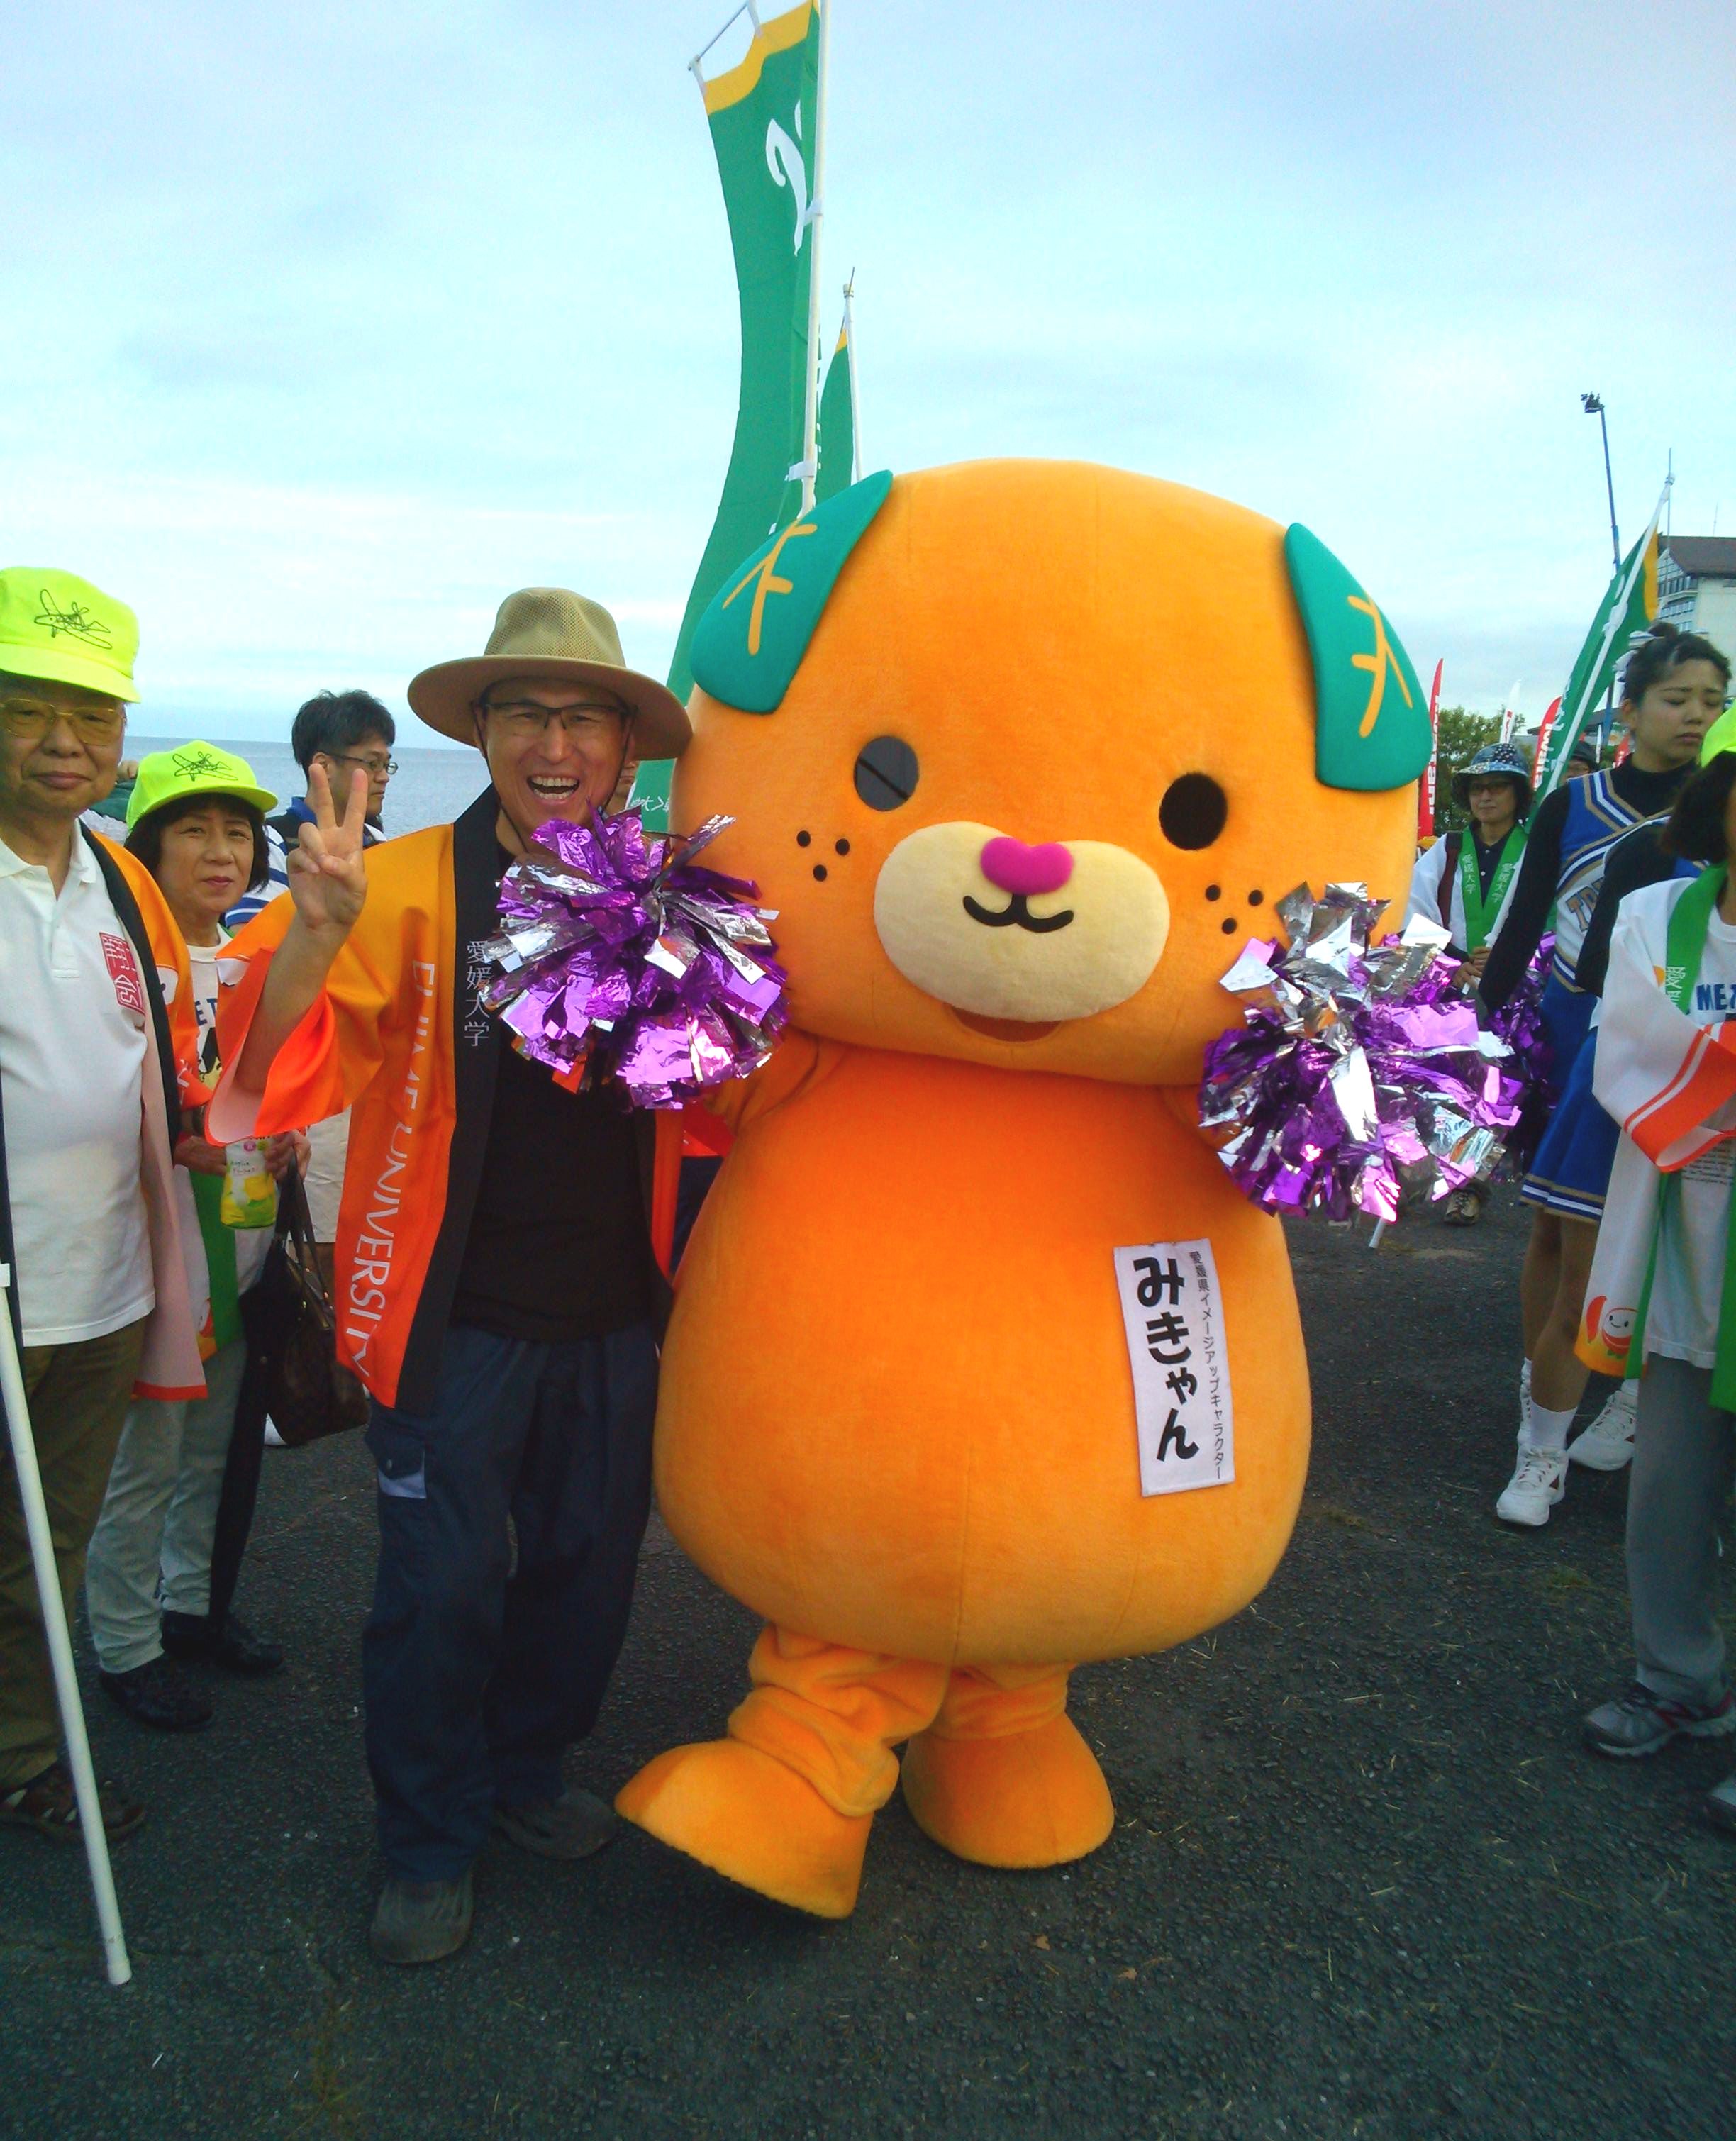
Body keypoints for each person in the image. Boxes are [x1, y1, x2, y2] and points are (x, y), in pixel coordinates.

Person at [211, 588, 691, 1965]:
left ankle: (529, 1769)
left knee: (591, 1577)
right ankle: (426, 1837)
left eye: (583, 713)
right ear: (480, 732)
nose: (555, 741)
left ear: (621, 741)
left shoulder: (666, 890)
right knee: (439, 1589)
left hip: (615, 1318)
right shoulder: (403, 882)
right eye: (524, 712)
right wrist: (310, 931)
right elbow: (253, 1092)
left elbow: (725, 1096)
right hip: (451, 1318)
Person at [0, 569, 208, 1848]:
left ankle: (25, 1750)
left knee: (49, 1541)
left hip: (103, 1283)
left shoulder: (121, 879)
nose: (67, 742)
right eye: (31, 710)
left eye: (94, 714)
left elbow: (167, 1057)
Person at [1485, 626, 1730, 1525]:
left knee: (1664, 1240)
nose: (1696, 715)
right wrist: (1485, 1035)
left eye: (1712, 699)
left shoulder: (1717, 813)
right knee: (1557, 1235)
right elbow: (1528, 923)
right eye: (1678, 699)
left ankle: (1630, 1400)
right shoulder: (1576, 803)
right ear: (1628, 710)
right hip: (1574, 1035)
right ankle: (1540, 1412)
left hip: (1691, 1064)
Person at [83, 746, 298, 1730]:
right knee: (147, 1457)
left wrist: (286, 1133)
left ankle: (192, 1608)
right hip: (155, 1258)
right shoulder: (116, 963)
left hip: (242, 1250)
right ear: (149, 846)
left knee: (212, 1451)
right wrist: (176, 1143)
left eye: (239, 832)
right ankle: (124, 1645)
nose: (222, 851)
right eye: (195, 829)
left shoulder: (258, 962)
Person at [1576, 745, 1736, 1834]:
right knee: (1669, 1487)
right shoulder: (1661, 916)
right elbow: (1632, 1051)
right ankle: (1681, 1678)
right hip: (1688, 1236)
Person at [1405, 740, 1531, 1223]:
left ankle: (1472, 1184)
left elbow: (1545, 915)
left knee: (1495, 1088)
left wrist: (1510, 953)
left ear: (1518, 795)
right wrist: (1445, 965)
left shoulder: (1535, 849)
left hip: (1513, 984)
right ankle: (1446, 1179)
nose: (1487, 797)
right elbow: (1414, 906)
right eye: (1478, 788)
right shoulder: (1449, 846)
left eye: (1498, 787)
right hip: (1453, 979)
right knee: (1447, 1082)